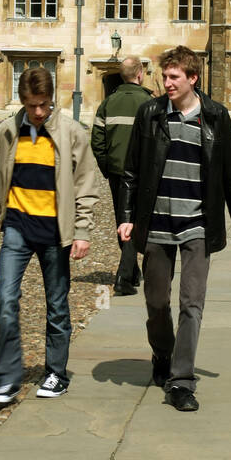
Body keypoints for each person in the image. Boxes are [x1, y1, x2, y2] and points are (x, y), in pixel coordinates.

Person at [120, 46, 231, 412]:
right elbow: (131, 170)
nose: (167, 83)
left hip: (197, 223)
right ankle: (163, 354)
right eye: (165, 76)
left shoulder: (215, 116)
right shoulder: (150, 113)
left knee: (191, 303)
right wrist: (127, 215)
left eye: (174, 77)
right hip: (156, 222)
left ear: (193, 79)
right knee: (156, 302)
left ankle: (181, 380)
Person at [0, 66, 98, 405]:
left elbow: (85, 185)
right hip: (17, 227)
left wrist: (82, 231)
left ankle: (56, 373)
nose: (38, 112)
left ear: (52, 101)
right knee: (5, 297)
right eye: (32, 105)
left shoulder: (72, 132)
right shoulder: (7, 131)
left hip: (55, 232)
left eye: (44, 105)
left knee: (57, 306)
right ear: (22, 101)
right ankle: (7, 378)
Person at [91, 56, 152, 295]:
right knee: (137, 222)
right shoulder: (149, 102)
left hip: (117, 172)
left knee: (122, 220)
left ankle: (132, 271)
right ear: (140, 74)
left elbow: (97, 141)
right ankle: (124, 277)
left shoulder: (108, 103)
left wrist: (108, 166)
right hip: (142, 174)